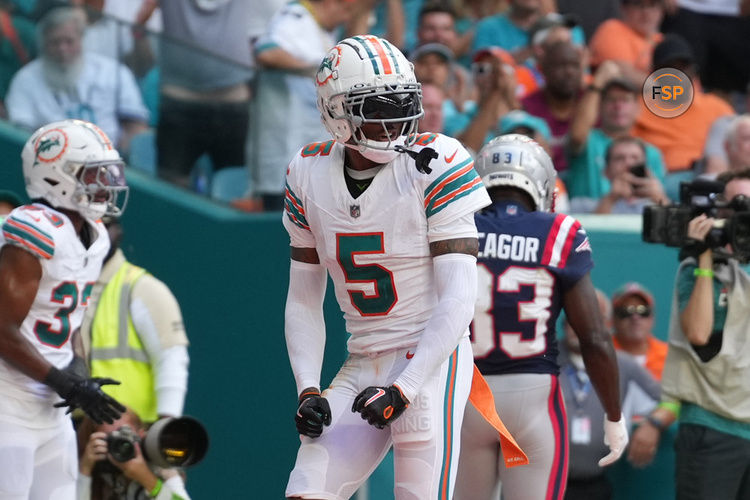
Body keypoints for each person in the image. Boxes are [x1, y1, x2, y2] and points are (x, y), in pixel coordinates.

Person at [282, 35, 526, 500]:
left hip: (429, 358)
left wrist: (405, 388)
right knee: (304, 493)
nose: (395, 122)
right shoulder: (306, 172)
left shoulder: (436, 162)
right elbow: (302, 297)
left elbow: (460, 295)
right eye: (377, 109)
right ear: (336, 112)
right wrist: (308, 389)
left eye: (403, 105)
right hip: (362, 357)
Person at [454, 134, 627, 500]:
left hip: (465, 396)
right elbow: (594, 337)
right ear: (542, 182)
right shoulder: (560, 232)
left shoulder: (457, 226)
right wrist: (613, 414)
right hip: (532, 397)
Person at [0, 118, 128, 499]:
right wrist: (65, 382)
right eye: (93, 175)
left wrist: (77, 371)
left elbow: (64, 321)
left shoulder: (96, 234)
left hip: (49, 410)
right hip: (8, 407)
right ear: (57, 176)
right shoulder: (34, 227)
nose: (106, 183)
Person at [638, 167, 750, 499]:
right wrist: (703, 256)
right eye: (736, 207)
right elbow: (698, 333)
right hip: (713, 428)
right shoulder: (696, 269)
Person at [79, 216, 190, 426]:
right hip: (67, 429)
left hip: (132, 431)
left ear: (118, 233)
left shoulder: (142, 288)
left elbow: (171, 359)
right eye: (88, 226)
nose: (97, 235)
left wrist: (165, 428)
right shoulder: (58, 283)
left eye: (105, 226)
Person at [134, 0, 255, 189]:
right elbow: (142, 19)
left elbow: (141, 21)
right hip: (183, 98)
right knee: (173, 194)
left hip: (227, 99)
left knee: (230, 191)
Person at [249, 0, 354, 210]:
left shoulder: (320, 29)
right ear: (330, 3)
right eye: (345, 10)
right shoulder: (295, 17)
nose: (346, 18)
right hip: (284, 155)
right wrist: (314, 72)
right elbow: (266, 52)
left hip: (307, 158)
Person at [561, 289, 660, 500]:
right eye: (572, 317)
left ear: (605, 325)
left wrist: (654, 424)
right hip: (547, 481)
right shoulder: (546, 358)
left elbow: (670, 399)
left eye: (589, 317)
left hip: (597, 482)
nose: (578, 325)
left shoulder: (622, 363)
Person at [5, 7, 149, 151]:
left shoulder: (111, 71)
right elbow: (21, 134)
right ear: (44, 44)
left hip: (109, 159)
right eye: (55, 42)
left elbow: (136, 126)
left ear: (81, 39)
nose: (62, 49)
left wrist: (124, 156)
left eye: (69, 41)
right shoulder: (25, 79)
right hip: (50, 161)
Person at [567, 68, 666, 200]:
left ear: (638, 109)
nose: (618, 106)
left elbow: (658, 201)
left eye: (625, 100)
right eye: (611, 100)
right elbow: (576, 136)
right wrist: (597, 84)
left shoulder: (652, 153)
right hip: (586, 219)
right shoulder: (588, 142)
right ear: (599, 107)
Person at [76, 407, 190, 500]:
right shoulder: (95, 474)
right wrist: (85, 470)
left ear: (141, 435)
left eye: (124, 434)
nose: (120, 445)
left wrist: (146, 478)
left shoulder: (161, 470)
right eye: (110, 439)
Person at [521, 40, 583, 174]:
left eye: (574, 65)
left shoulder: (590, 102)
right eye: (561, 66)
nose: (569, 72)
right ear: (544, 70)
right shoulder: (527, 107)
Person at [569, 136, 668, 214]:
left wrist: (660, 199)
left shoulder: (659, 204)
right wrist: (611, 199)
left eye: (635, 158)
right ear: (605, 171)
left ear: (647, 169)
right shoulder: (582, 206)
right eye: (619, 158)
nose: (628, 163)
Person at [588, 0, 665, 86]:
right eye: (639, 4)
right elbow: (625, 74)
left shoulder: (662, 40)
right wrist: (665, 88)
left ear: (662, 10)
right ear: (624, 8)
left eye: (652, 5)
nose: (646, 12)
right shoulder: (613, 29)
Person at [609, 281, 668, 380]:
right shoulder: (601, 355)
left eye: (643, 311)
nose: (635, 317)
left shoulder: (668, 357)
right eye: (626, 311)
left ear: (652, 318)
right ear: (613, 319)